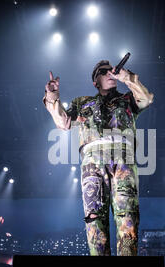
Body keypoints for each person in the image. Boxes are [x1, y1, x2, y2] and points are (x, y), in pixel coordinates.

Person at [42, 60, 154, 256]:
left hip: (123, 159)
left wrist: (126, 77)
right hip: (92, 161)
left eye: (112, 71)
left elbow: (146, 99)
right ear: (96, 81)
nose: (110, 73)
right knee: (94, 218)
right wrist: (52, 96)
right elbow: (63, 123)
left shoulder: (128, 99)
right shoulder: (82, 102)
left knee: (127, 214)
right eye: (104, 72)